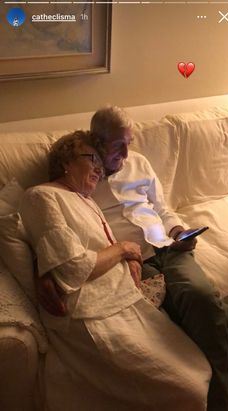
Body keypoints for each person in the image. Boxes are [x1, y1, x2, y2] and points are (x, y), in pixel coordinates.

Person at [20, 130, 211, 411]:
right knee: (189, 389)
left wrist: (131, 258)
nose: (100, 168)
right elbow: (71, 268)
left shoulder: (88, 201)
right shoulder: (42, 195)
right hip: (93, 312)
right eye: (92, 159)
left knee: (199, 365)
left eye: (101, 161)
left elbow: (99, 246)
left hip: (127, 297)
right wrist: (124, 249)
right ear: (66, 162)